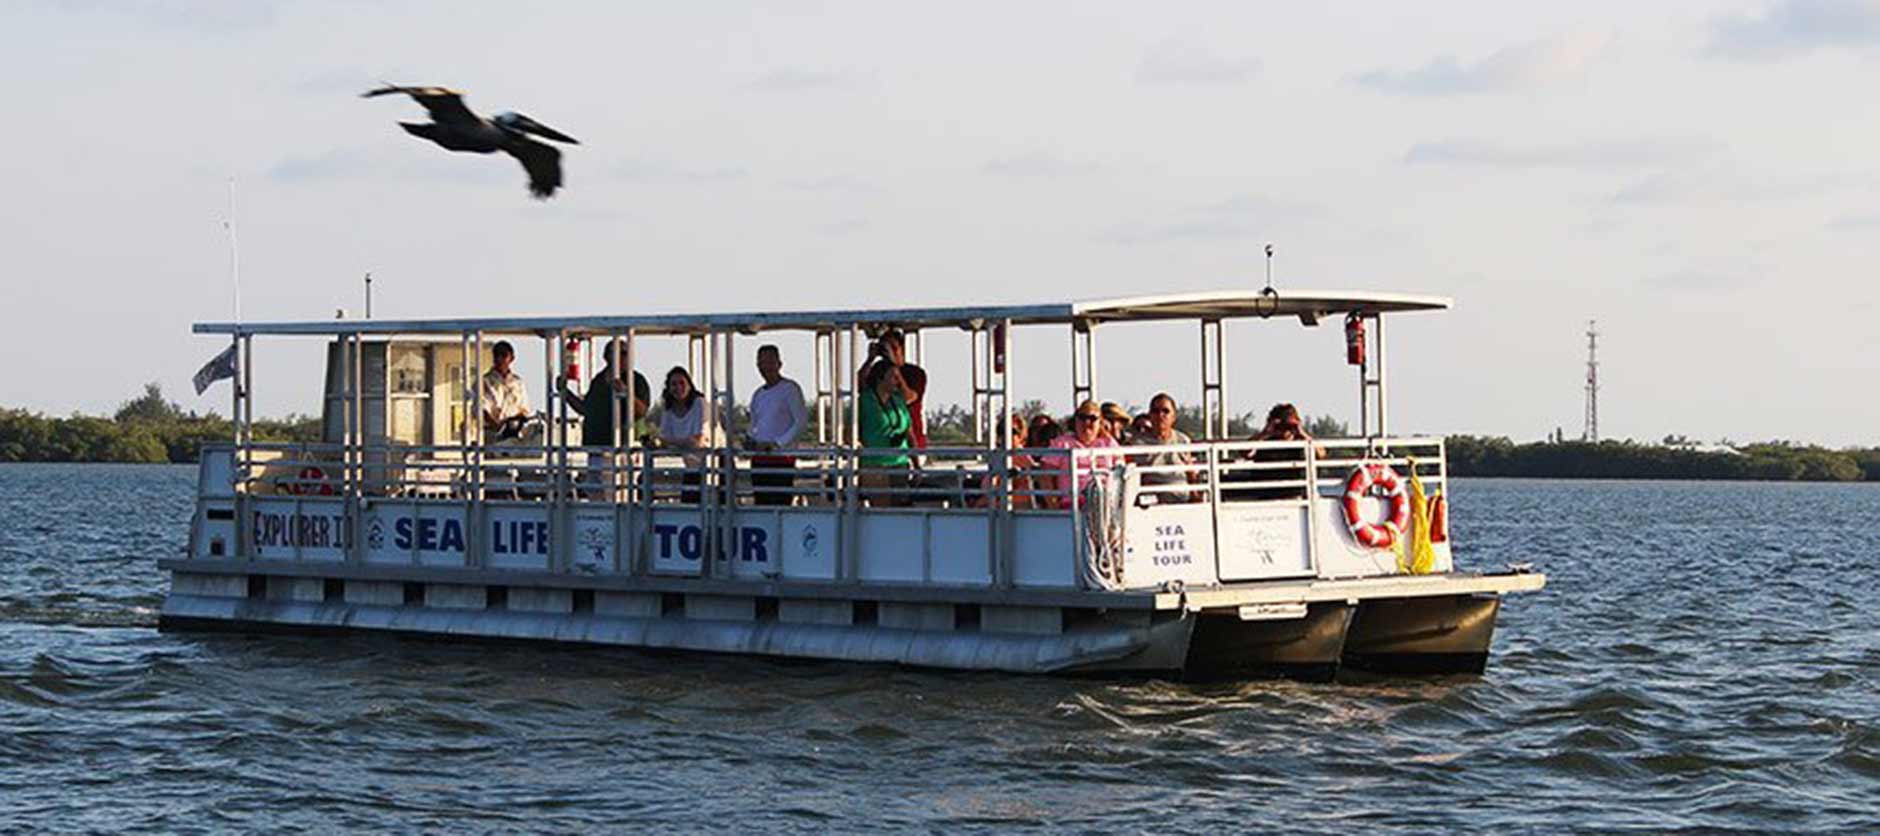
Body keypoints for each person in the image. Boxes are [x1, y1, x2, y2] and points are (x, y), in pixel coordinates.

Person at [744, 345, 809, 506]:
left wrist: (777, 444)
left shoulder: (790, 389)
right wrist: (749, 439)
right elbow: (754, 423)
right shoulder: (758, 394)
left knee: (780, 503)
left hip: (781, 459)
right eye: (761, 363)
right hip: (759, 459)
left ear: (779, 364)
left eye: (769, 362)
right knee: (761, 503)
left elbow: (800, 422)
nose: (765, 367)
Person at [1226, 403, 1322, 501]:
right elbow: (1245, 453)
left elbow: (1321, 454)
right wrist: (1265, 433)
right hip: (1266, 493)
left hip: (1293, 493)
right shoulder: (1263, 441)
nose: (1284, 429)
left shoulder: (1300, 442)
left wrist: (1302, 433)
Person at [1041, 400, 1122, 508]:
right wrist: (1053, 506)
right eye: (1082, 418)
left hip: (1105, 503)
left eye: (1093, 418)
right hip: (1072, 504)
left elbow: (1121, 470)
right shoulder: (1062, 443)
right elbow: (1045, 476)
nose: (1087, 422)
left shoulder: (1108, 443)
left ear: (1100, 422)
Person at [862, 329, 929, 451]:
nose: (889, 351)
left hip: (910, 440)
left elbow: (908, 398)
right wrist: (869, 360)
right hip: (880, 444)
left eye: (893, 347)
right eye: (885, 348)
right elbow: (859, 387)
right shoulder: (879, 370)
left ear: (902, 348)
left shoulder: (916, 373)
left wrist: (895, 368)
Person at [856, 361, 912, 506]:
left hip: (900, 463)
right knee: (883, 509)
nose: (897, 381)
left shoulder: (898, 401)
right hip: (875, 464)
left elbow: (908, 431)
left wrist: (916, 463)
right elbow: (851, 431)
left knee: (901, 508)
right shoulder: (865, 401)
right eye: (893, 376)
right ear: (880, 378)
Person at [658, 366, 712, 504]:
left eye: (682, 383)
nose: (678, 388)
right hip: (690, 466)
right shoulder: (668, 408)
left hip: (712, 466)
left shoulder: (700, 403)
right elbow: (663, 439)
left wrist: (673, 442)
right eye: (674, 384)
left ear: (689, 385)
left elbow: (699, 441)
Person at [1135, 393, 1198, 503]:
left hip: (1181, 497)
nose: (1160, 415)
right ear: (1150, 415)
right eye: (1155, 411)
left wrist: (1196, 496)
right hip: (1152, 500)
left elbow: (1190, 473)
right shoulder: (1138, 443)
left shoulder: (1183, 441)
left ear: (1173, 417)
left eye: (1166, 411)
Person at [480, 340, 537, 441]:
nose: (499, 359)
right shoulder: (484, 381)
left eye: (503, 355)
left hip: (514, 434)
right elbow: (481, 409)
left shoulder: (518, 383)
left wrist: (513, 423)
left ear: (512, 358)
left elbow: (524, 410)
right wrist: (498, 427)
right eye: (496, 355)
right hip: (492, 434)